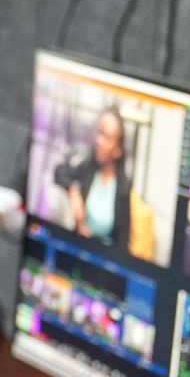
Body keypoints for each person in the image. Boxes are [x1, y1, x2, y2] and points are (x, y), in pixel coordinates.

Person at [53, 106, 156, 262]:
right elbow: (59, 171)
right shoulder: (87, 166)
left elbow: (122, 242)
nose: (99, 141)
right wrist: (72, 191)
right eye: (99, 133)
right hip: (76, 251)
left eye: (106, 137)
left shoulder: (123, 189)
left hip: (104, 261)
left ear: (118, 149)